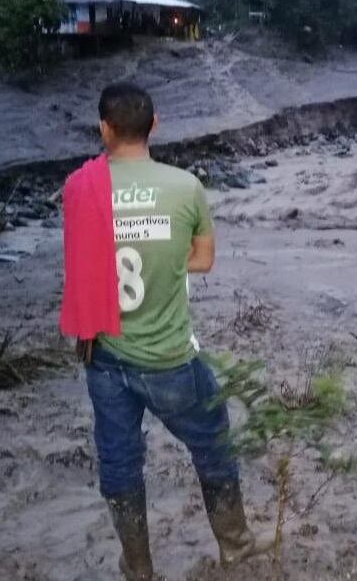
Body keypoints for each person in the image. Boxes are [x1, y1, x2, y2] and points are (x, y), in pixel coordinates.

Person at [63, 83, 272, 581]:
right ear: (154, 126)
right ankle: (235, 543)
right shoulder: (185, 187)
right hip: (168, 357)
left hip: (104, 356)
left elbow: (80, 264)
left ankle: (138, 565)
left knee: (119, 461)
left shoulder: (78, 188)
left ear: (104, 129)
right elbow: (202, 260)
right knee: (213, 440)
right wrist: (163, 250)